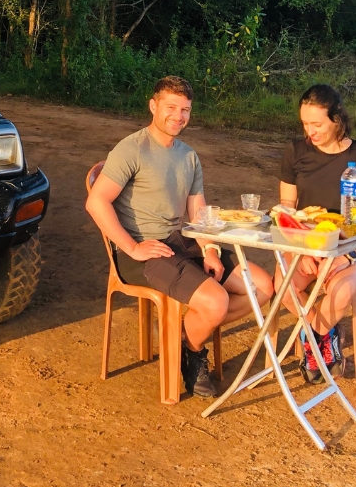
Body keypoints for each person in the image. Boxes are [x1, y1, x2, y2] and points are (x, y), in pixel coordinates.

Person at [86, 76, 274, 397]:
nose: (178, 116)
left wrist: (211, 249)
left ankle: (188, 339)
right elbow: (96, 201)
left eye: (185, 109)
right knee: (217, 301)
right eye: (171, 107)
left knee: (263, 287)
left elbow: (198, 213)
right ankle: (196, 352)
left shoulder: (188, 156)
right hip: (146, 253)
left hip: (183, 242)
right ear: (153, 105)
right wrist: (131, 247)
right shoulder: (131, 149)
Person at [276, 84, 356, 383]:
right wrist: (302, 249)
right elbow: (287, 209)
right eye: (305, 124)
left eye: (317, 124)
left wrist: (347, 255)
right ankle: (326, 332)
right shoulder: (296, 152)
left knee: (340, 290)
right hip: (308, 246)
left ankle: (311, 339)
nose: (310, 132)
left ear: (337, 120)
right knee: (284, 285)